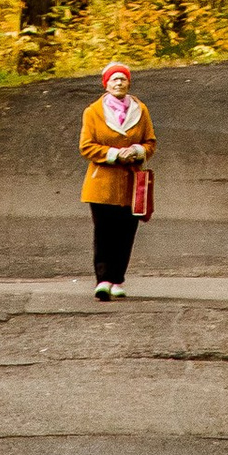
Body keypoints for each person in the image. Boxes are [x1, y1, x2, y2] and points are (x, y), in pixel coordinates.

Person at [78, 61, 156, 296]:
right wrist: (112, 154)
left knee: (126, 232)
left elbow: (150, 142)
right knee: (104, 232)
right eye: (114, 79)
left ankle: (118, 280)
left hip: (132, 184)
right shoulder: (92, 112)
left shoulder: (140, 110)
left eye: (122, 79)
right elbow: (86, 147)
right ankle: (102, 281)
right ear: (106, 84)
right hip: (101, 182)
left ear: (129, 82)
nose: (119, 83)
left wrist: (137, 151)